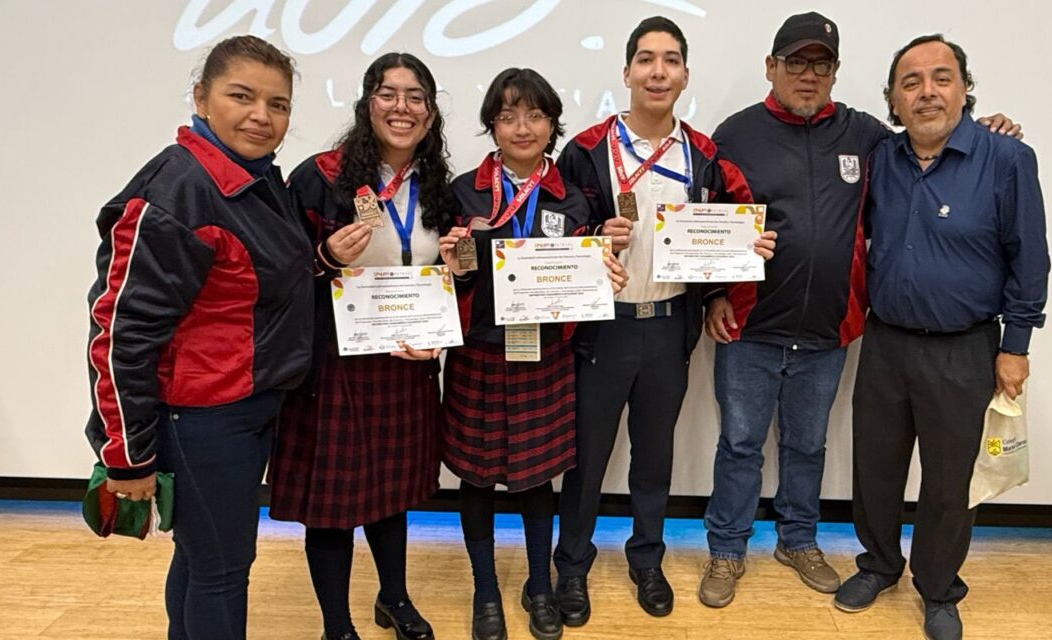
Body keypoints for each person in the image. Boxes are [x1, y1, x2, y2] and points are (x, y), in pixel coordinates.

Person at [699, 12, 1021, 608]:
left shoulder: (866, 134)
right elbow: (704, 226)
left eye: (821, 64)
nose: (808, 74)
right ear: (771, 67)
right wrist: (713, 294)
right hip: (750, 329)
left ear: (836, 72)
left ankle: (798, 540)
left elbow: (933, 133)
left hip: (830, 329)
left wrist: (989, 125)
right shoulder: (733, 135)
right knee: (740, 443)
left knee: (807, 444)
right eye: (795, 62)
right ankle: (726, 548)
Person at [551, 16, 777, 623]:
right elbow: (560, 229)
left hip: (669, 325)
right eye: (646, 60)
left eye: (670, 60)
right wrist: (593, 237)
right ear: (626, 72)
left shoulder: (704, 154)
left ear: (684, 74)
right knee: (587, 458)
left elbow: (722, 234)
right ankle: (570, 566)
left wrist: (736, 265)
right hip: (603, 330)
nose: (658, 71)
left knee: (655, 456)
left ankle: (646, 558)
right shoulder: (585, 149)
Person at [84, 35, 311, 640]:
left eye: (278, 104)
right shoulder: (178, 191)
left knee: (203, 560)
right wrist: (126, 455)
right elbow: (118, 333)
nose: (261, 116)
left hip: (244, 408)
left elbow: (256, 284)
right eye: (242, 96)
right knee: (222, 572)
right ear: (201, 98)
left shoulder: (251, 179)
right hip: (202, 418)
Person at [834, 34, 1049, 640]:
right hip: (886, 342)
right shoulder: (882, 159)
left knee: (951, 479)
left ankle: (939, 586)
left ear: (964, 88)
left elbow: (1029, 259)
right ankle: (878, 564)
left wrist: (1017, 346)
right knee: (875, 467)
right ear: (893, 102)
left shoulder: (1006, 159)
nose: (927, 92)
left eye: (941, 77)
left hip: (966, 347)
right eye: (911, 82)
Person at [269, 52, 456, 640]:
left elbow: (450, 276)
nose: (402, 107)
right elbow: (278, 271)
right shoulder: (320, 176)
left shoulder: (438, 185)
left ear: (430, 112)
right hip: (333, 367)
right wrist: (325, 258)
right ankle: (336, 626)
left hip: (406, 365)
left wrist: (460, 268)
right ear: (367, 103)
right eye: (388, 93)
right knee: (334, 504)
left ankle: (393, 600)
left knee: (392, 493)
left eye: (415, 97)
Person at [437, 68, 628, 640]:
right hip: (479, 356)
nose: (523, 128)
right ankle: (486, 590)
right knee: (475, 480)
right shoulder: (463, 191)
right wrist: (456, 266)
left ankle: (540, 586)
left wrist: (605, 270)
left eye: (535, 115)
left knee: (536, 478)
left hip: (544, 357)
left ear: (551, 124)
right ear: (492, 124)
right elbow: (447, 284)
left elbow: (583, 280)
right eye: (508, 116)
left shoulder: (573, 199)